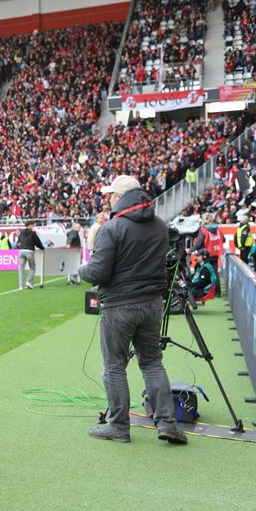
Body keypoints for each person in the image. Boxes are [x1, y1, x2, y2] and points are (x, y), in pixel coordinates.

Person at [79, 175, 187, 445]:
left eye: (111, 195)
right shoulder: (161, 226)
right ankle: (167, 423)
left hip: (119, 305)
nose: (108, 200)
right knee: (152, 363)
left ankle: (118, 426)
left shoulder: (113, 228)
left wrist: (81, 269)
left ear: (119, 198)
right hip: (152, 303)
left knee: (114, 367)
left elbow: (97, 272)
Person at [16, 220, 44, 289]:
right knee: (32, 267)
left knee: (21, 269)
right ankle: (29, 281)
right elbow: (38, 243)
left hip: (21, 251)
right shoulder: (33, 233)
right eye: (33, 225)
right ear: (30, 225)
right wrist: (42, 248)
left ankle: (21, 286)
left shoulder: (21, 233)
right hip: (29, 251)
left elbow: (18, 242)